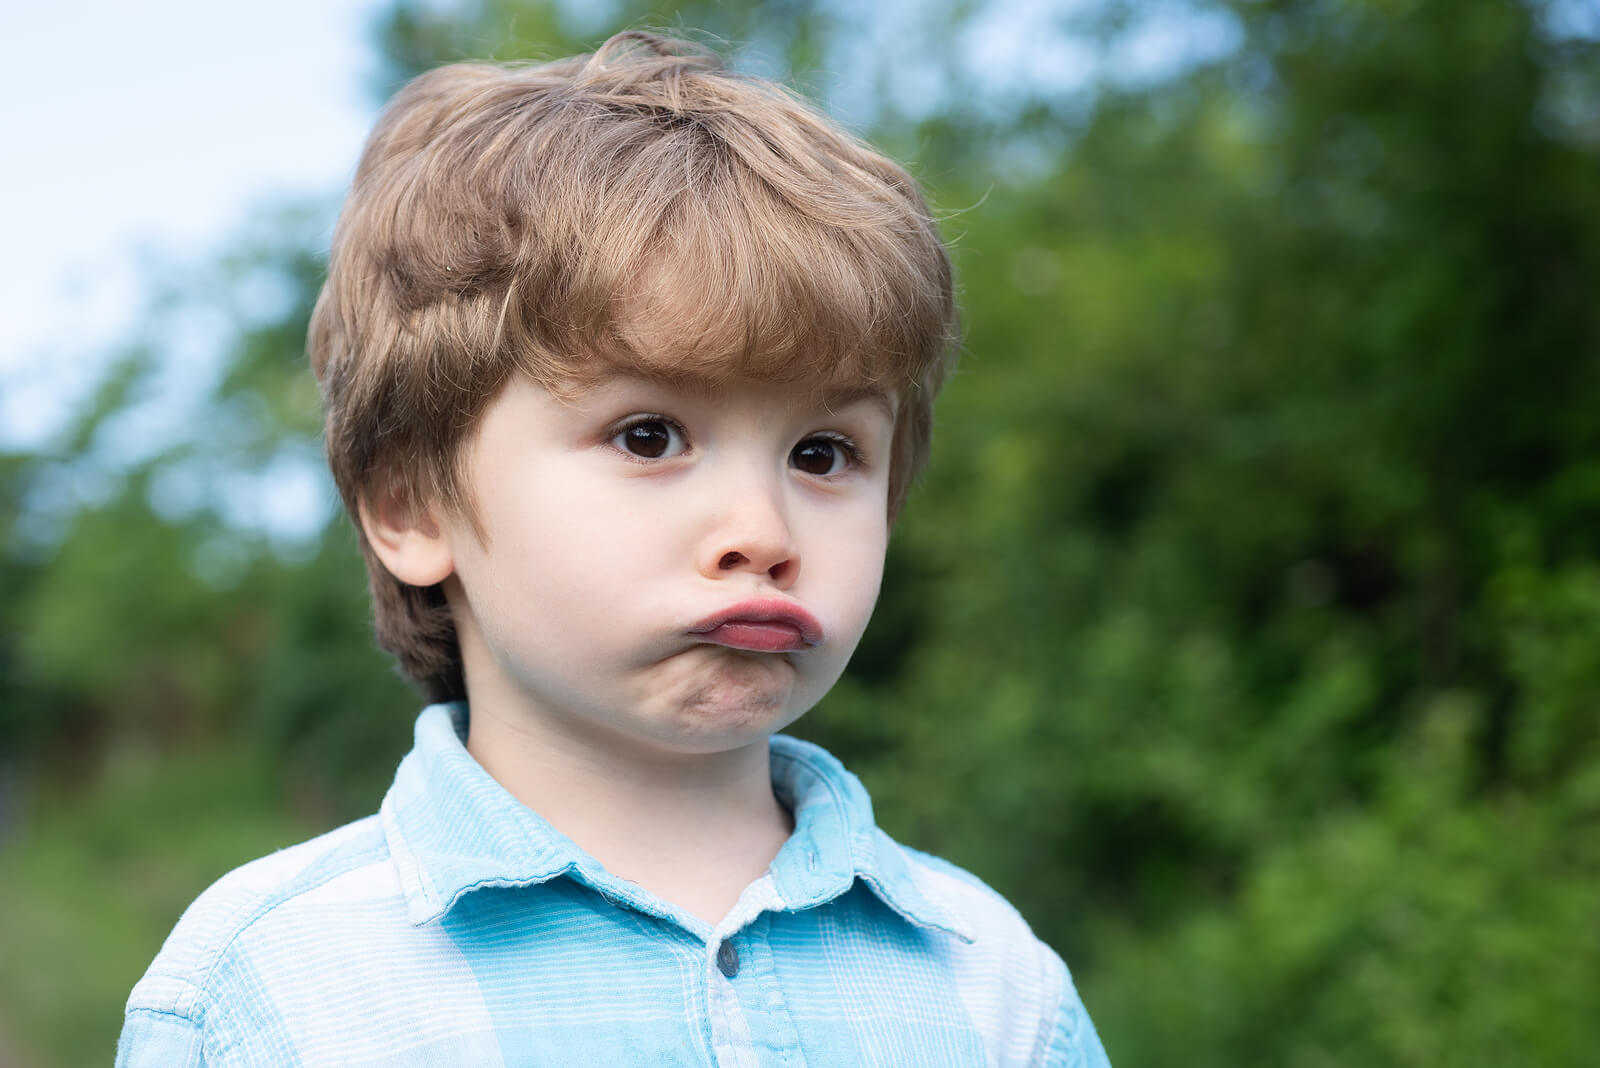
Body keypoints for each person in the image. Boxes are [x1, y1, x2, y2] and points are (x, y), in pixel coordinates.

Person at [117, 30, 1110, 1066]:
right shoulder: (277, 988)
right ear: (412, 507)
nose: (763, 536)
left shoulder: (993, 982)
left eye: (823, 453)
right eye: (649, 437)